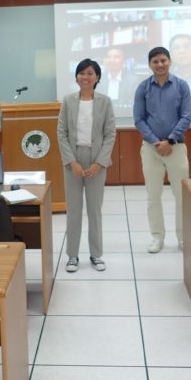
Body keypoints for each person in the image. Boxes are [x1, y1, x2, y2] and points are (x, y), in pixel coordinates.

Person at [57, 58, 116, 272]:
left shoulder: (105, 101)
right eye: (82, 73)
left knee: (94, 211)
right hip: (72, 159)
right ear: (76, 77)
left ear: (97, 77)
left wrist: (99, 163)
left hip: (96, 161)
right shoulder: (68, 100)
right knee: (73, 210)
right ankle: (72, 255)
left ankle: (96, 255)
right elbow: (61, 133)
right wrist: (71, 161)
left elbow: (110, 134)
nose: (85, 77)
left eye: (90, 73)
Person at [133, 46, 191, 253]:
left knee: (182, 195)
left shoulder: (182, 86)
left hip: (176, 147)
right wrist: (156, 142)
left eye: (163, 60)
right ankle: (157, 237)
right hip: (151, 149)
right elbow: (138, 119)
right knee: (153, 195)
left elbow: (186, 117)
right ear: (150, 65)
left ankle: (184, 237)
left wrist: (170, 141)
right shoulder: (143, 88)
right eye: (155, 61)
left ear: (169, 62)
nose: (160, 65)